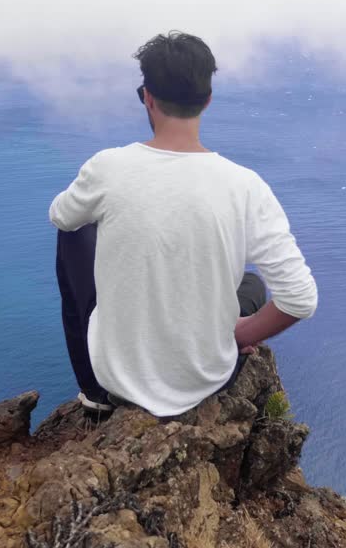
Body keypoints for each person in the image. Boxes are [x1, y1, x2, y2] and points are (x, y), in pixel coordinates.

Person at [50, 31, 317, 417]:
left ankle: (94, 393)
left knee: (74, 232)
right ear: (207, 100)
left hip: (118, 379)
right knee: (252, 285)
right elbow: (300, 299)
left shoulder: (108, 167)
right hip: (208, 377)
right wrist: (240, 332)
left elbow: (61, 214)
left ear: (147, 97)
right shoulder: (246, 187)